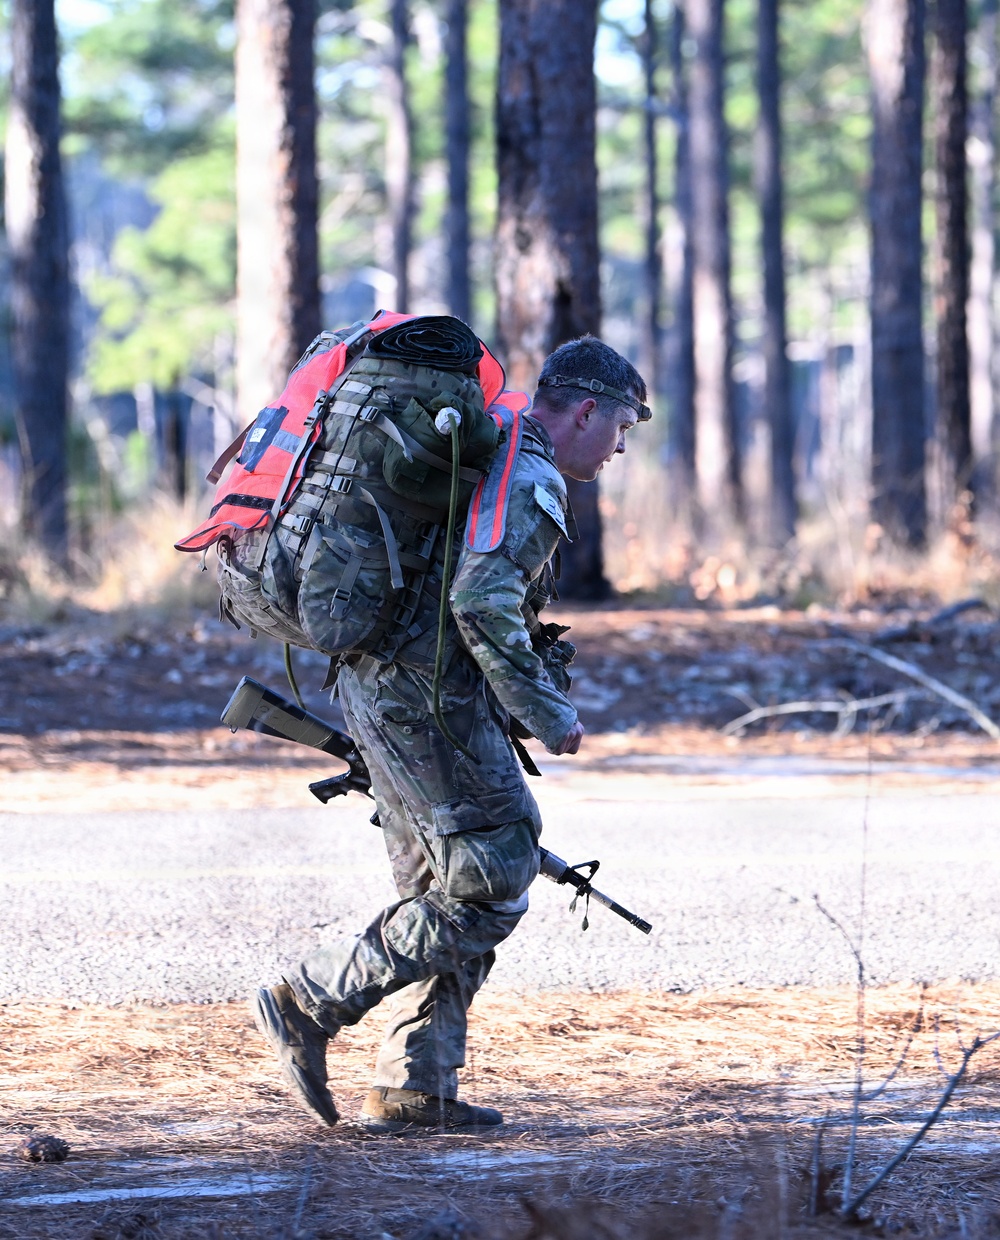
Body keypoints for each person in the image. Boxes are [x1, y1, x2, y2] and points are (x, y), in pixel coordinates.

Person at [252, 335, 648, 1133]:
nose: (620, 447)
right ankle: (309, 998)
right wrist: (548, 711)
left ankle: (416, 1083)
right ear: (585, 411)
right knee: (496, 867)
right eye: (623, 427)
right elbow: (479, 600)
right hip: (424, 697)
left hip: (380, 682)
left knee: (444, 885)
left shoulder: (497, 437)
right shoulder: (532, 474)